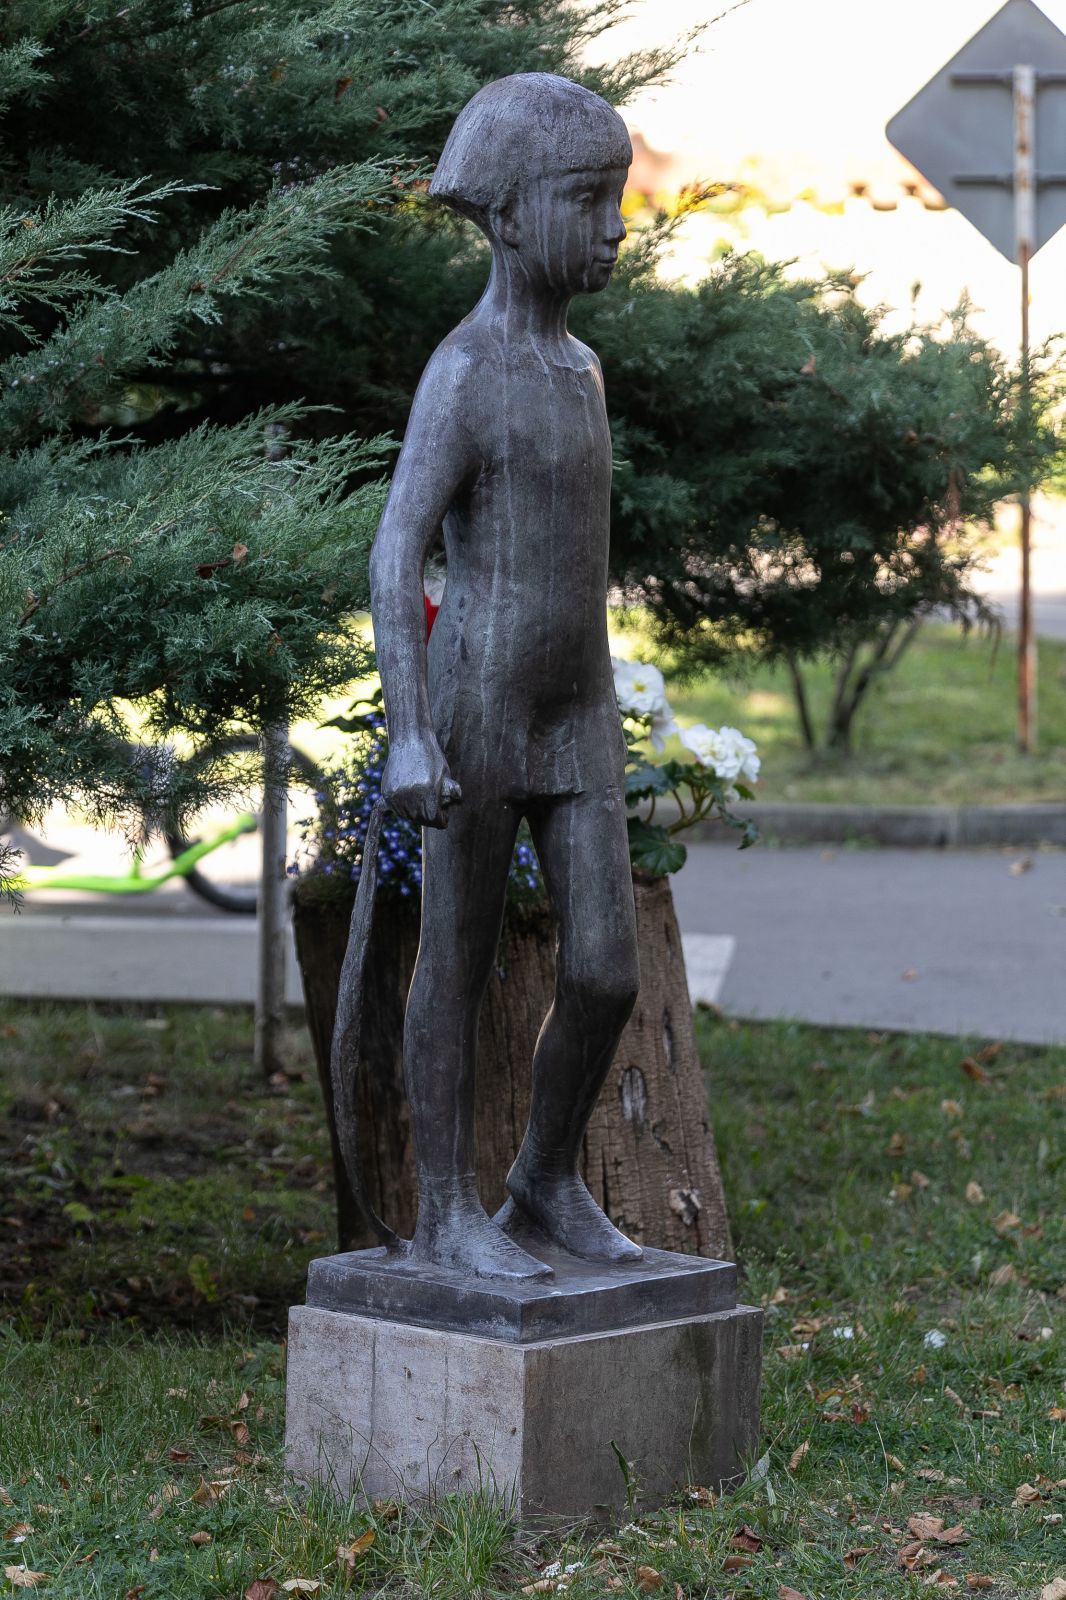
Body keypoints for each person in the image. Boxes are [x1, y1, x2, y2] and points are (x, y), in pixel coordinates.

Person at [369, 73, 641, 1280]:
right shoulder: (466, 370)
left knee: (605, 969)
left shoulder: (582, 369)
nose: (614, 228)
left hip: (577, 704)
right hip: (476, 699)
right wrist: (409, 727)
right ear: (508, 214)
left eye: (617, 199)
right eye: (588, 201)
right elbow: (396, 548)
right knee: (459, 960)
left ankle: (543, 1177)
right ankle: (444, 1208)